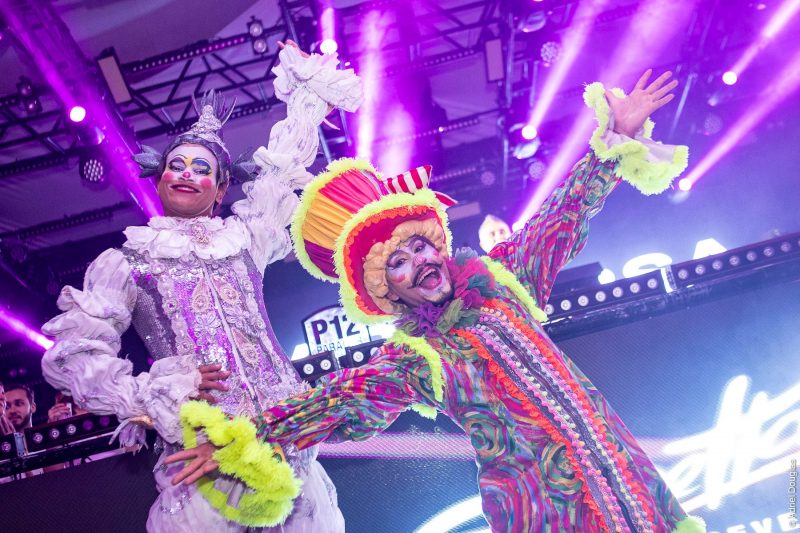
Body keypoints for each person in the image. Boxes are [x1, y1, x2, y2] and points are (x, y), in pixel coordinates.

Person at [168, 71, 706, 532]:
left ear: (438, 244)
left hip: (625, 483)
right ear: (387, 289)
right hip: (544, 514)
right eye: (396, 262)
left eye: (420, 246)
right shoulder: (418, 359)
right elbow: (332, 402)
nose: (417, 262)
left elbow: (562, 216)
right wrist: (244, 438)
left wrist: (612, 140)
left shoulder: (504, 282)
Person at [41, 41, 362, 532]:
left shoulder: (243, 240)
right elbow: (76, 354)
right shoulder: (129, 260)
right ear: (160, 178)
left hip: (286, 442)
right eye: (177, 165)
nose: (187, 174)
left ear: (221, 187)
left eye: (202, 168)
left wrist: (307, 98)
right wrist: (156, 392)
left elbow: (278, 178)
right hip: (203, 457)